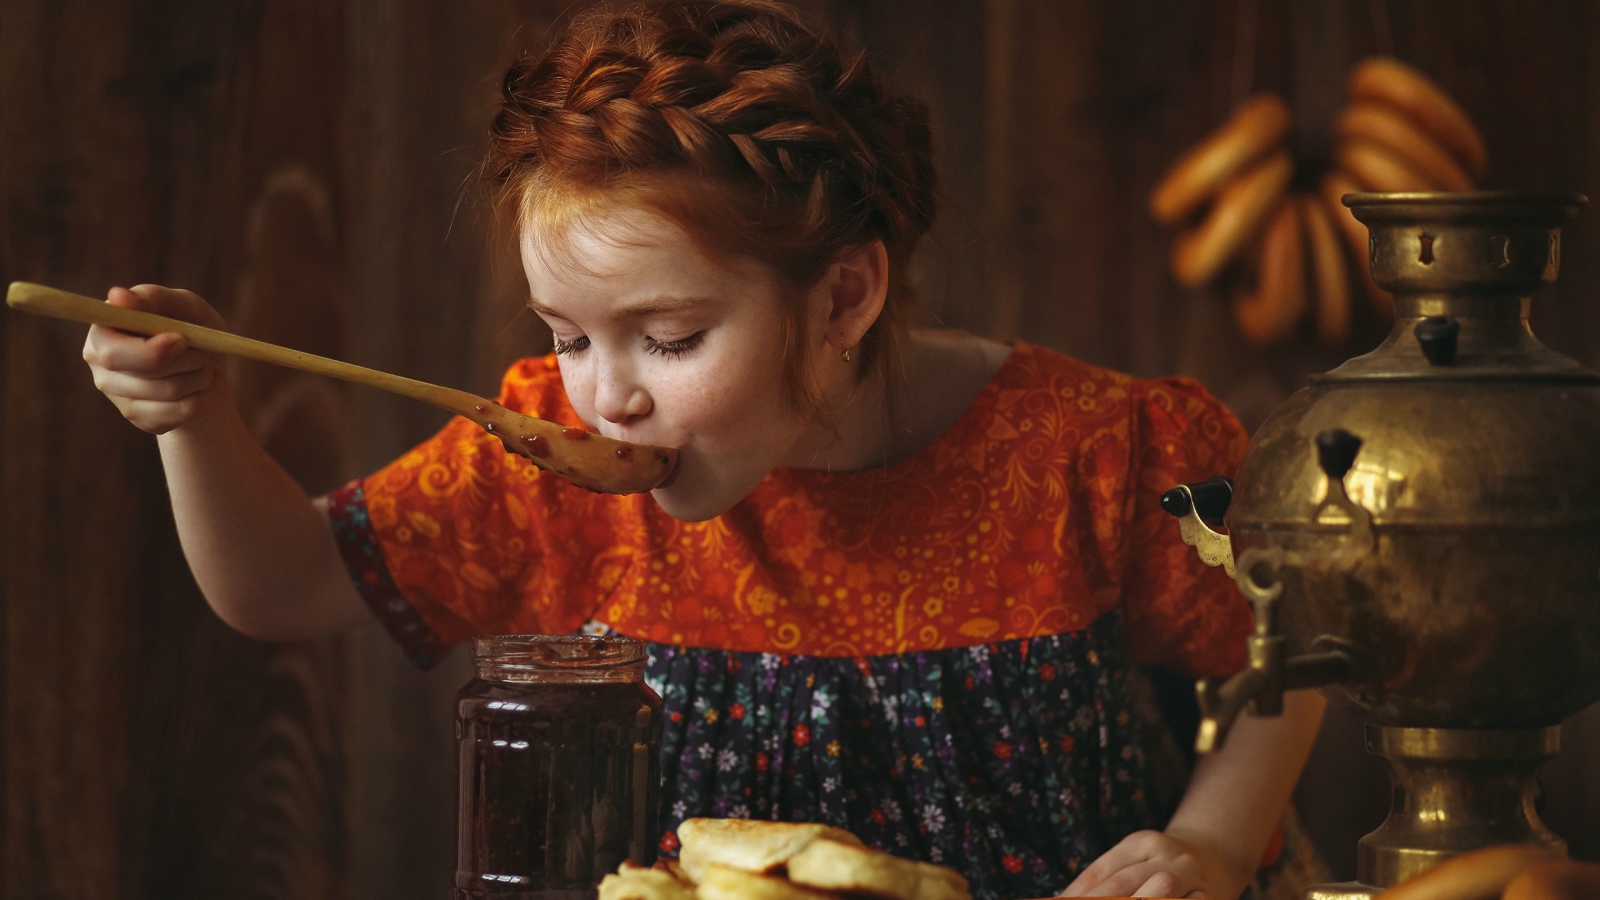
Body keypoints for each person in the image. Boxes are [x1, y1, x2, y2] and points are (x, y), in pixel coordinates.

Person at [81, 1, 1325, 897]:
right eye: (567, 335)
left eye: (668, 338)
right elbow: (282, 584)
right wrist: (192, 416)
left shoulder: (1096, 454)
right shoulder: (547, 454)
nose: (604, 397)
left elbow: (1290, 647)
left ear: (844, 297)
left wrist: (1212, 845)